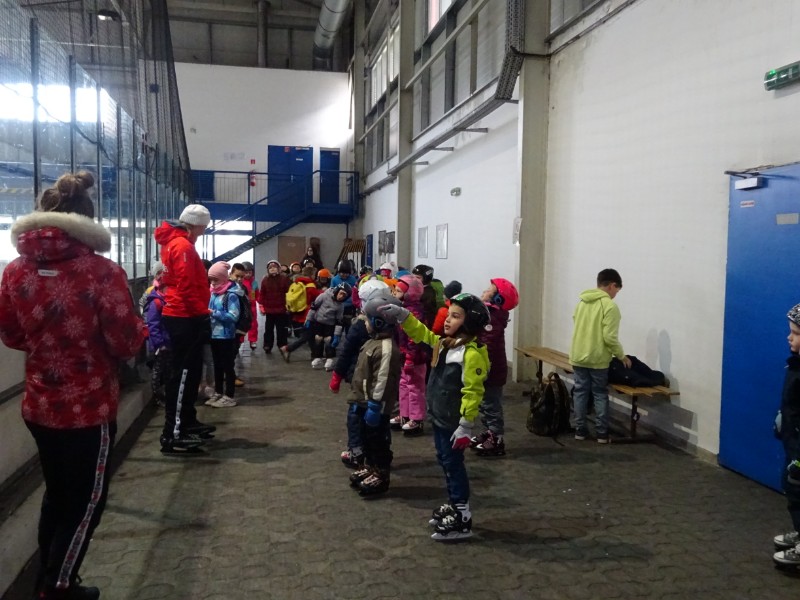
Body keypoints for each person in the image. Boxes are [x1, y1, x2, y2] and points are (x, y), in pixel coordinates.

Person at [0, 171, 146, 599]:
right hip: (88, 407)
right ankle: (59, 587)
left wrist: (48, 345)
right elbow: (124, 341)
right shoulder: (102, 272)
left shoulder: (14, 271)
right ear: (86, 220)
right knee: (85, 503)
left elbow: (10, 333)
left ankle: (47, 579)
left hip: (39, 404)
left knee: (58, 495)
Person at [380, 292, 490, 541]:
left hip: (453, 422)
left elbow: (473, 392)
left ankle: (462, 515)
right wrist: (404, 316)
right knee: (444, 461)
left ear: (470, 322)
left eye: (456, 316)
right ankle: (454, 503)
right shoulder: (446, 344)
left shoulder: (471, 354)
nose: (448, 320)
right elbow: (423, 334)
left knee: (453, 464)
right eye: (449, 315)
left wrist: (466, 425)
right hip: (440, 417)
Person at [155, 203, 217, 454]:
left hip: (182, 313)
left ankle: (187, 422)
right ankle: (174, 433)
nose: (204, 230)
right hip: (185, 315)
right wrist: (201, 312)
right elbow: (187, 284)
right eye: (204, 226)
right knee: (182, 375)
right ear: (198, 225)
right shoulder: (182, 246)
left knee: (189, 373)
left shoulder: (173, 243)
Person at [331, 277, 393, 468]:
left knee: (357, 416)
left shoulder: (361, 325)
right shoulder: (391, 325)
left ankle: (358, 451)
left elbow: (347, 351)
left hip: (361, 380)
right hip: (372, 383)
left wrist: (337, 375)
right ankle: (375, 453)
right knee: (378, 420)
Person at [347, 296, 404, 496]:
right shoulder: (373, 342)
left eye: (367, 320)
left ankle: (381, 473)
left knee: (378, 440)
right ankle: (370, 466)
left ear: (379, 323)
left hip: (376, 406)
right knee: (366, 438)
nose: (365, 324)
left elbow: (382, 380)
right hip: (365, 401)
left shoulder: (386, 348)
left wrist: (374, 405)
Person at [568, 268, 631, 444]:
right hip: (598, 358)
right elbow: (609, 338)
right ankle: (602, 433)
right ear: (612, 285)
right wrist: (622, 356)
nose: (615, 295)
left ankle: (580, 431)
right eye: (617, 290)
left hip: (578, 355)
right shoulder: (610, 306)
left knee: (580, 392)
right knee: (599, 394)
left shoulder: (581, 302)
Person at [471, 278, 520, 457]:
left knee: (491, 405)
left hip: (491, 371)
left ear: (497, 299)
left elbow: (487, 346)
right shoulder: (488, 315)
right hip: (487, 369)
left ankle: (496, 438)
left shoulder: (492, 319)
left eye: (489, 291)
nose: (484, 291)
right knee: (484, 404)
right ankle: (489, 431)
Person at [772, 304, 800, 567]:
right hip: (794, 444)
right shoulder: (795, 365)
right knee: (792, 489)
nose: (789, 337)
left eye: (796, 333)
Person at [388, 275, 427, 435]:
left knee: (415, 387)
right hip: (404, 354)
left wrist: (410, 357)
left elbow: (414, 338)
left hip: (415, 357)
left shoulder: (414, 313)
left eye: (398, 291)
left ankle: (416, 418)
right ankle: (405, 414)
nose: (395, 293)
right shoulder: (402, 310)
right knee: (404, 385)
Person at [282, 282, 351, 369]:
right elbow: (313, 307)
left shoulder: (340, 306)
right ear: (337, 290)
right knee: (313, 338)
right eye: (341, 293)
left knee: (326, 340)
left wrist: (337, 334)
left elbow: (339, 320)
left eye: (344, 296)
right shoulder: (324, 296)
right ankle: (314, 356)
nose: (341, 297)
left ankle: (325, 357)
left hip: (329, 325)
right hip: (316, 322)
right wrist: (308, 319)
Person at [205, 261, 240, 408]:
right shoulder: (213, 293)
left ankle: (229, 396)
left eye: (216, 279)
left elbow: (233, 316)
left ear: (223, 278)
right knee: (217, 366)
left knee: (227, 366)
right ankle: (218, 392)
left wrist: (214, 313)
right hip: (214, 335)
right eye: (211, 279)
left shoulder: (231, 295)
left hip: (226, 336)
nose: (213, 283)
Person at [143, 271, 171, 407]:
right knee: (158, 370)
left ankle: (165, 395)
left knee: (166, 370)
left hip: (168, 343)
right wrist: (160, 344)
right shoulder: (156, 302)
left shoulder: (165, 300)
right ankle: (158, 397)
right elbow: (153, 325)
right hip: (161, 345)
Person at [257, 259, 291, 354]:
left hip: (281, 309)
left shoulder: (284, 279)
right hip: (269, 309)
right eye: (270, 268)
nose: (272, 269)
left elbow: (289, 292)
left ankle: (282, 344)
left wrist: (289, 305)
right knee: (268, 329)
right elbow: (262, 293)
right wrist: (261, 304)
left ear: (279, 269)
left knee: (281, 329)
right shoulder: (265, 280)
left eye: (275, 267)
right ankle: (267, 345)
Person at [241, 261, 260, 351]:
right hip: (242, 306)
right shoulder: (240, 281)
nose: (248, 274)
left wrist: (261, 303)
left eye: (250, 272)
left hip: (252, 307)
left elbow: (257, 294)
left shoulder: (254, 282)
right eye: (246, 272)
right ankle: (240, 340)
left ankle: (252, 340)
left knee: (253, 324)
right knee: (241, 324)